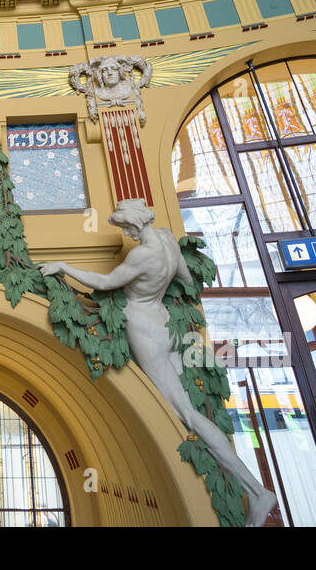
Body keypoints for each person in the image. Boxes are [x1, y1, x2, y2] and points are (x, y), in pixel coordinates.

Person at [38, 199, 278, 526]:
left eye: (124, 226)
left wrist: (63, 267)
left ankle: (256, 490)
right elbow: (188, 282)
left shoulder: (141, 255)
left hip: (145, 330)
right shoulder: (167, 240)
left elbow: (107, 284)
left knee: (186, 416)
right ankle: (249, 484)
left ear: (134, 224)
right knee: (187, 407)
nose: (124, 232)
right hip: (167, 323)